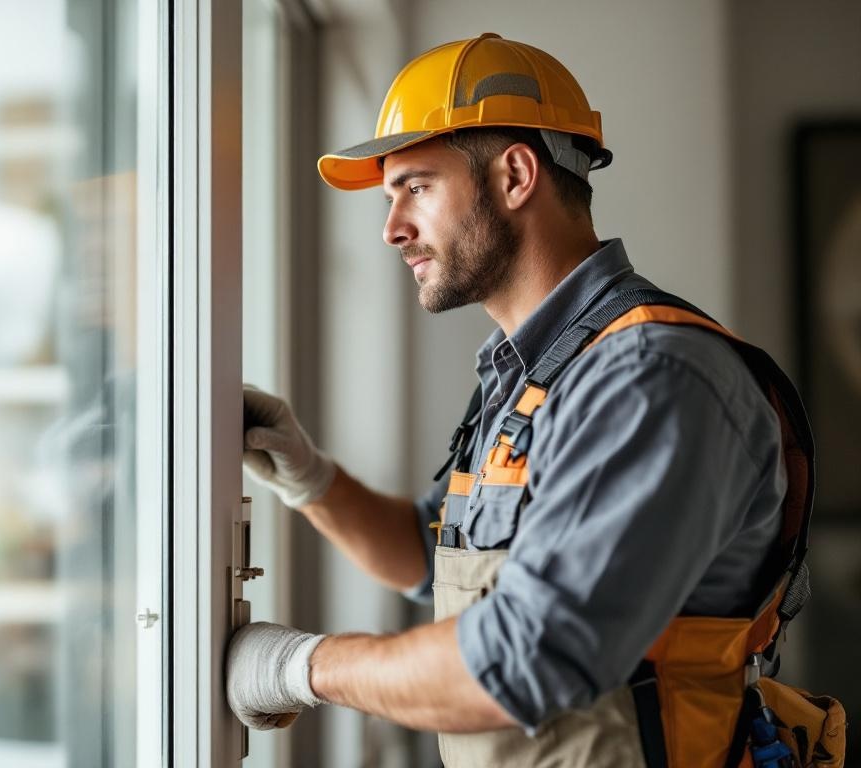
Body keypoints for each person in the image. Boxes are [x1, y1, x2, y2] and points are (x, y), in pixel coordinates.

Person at [226, 34, 833, 768]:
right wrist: (307, 477)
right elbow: (433, 556)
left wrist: (300, 669)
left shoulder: (648, 378)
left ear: (515, 175)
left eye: (415, 186)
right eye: (391, 196)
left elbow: (530, 653)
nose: (391, 229)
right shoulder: (533, 372)